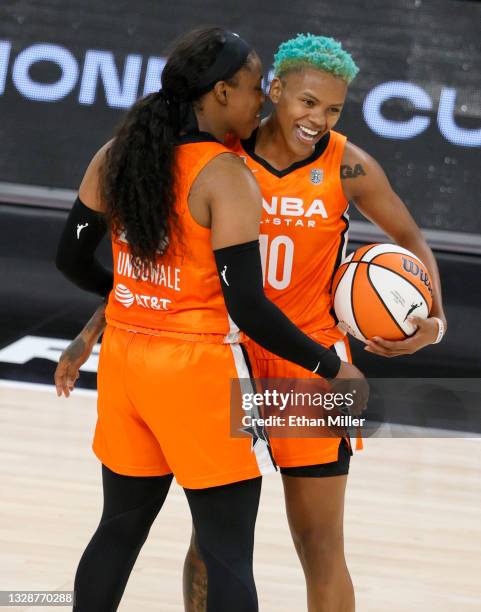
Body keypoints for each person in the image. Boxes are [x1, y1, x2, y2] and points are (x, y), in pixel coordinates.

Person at [54, 28, 367, 612]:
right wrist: (329, 366)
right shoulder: (225, 174)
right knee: (227, 554)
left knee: (116, 533)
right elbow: (247, 306)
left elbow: (70, 256)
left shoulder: (115, 154)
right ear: (221, 93)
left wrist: (126, 303)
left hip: (124, 366)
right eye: (252, 89)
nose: (258, 103)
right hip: (194, 373)